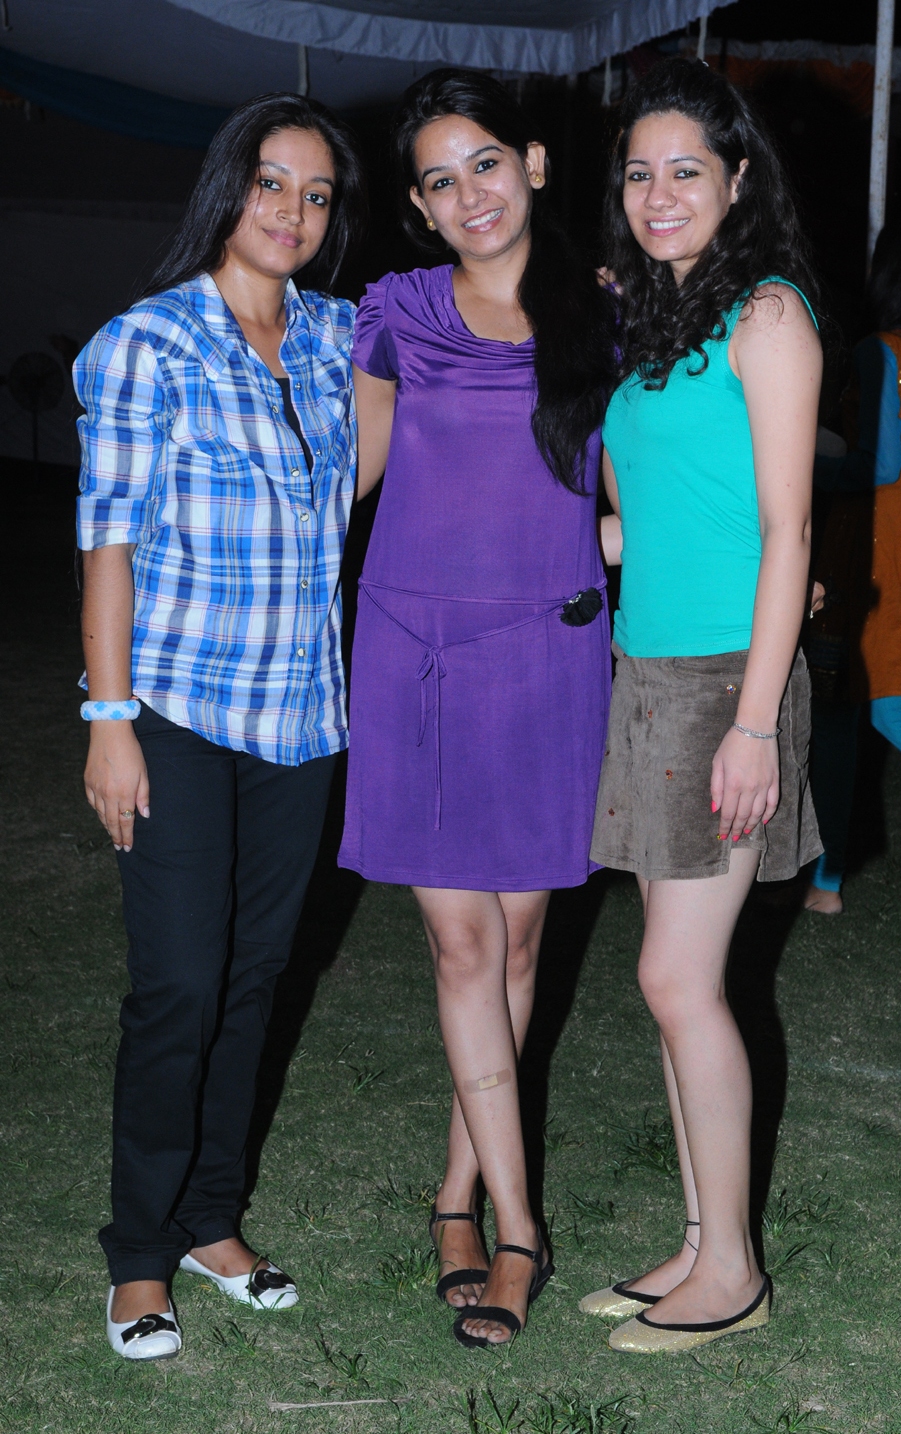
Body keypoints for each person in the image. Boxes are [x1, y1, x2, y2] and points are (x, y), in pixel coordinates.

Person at [75, 93, 365, 1361]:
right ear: (225, 186)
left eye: (316, 193)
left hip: (300, 714)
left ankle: (209, 1219)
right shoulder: (147, 341)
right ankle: (140, 1251)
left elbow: (462, 340)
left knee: (253, 979)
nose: (292, 211)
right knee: (180, 984)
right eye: (271, 182)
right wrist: (109, 720)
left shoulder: (336, 336)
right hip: (178, 706)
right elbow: (108, 540)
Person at [337, 69, 616, 1348]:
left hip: (546, 657)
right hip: (415, 653)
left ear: (534, 165)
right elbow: (347, 473)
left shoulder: (604, 312)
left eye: (485, 164)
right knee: (461, 949)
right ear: (417, 206)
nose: (469, 195)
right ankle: (517, 1233)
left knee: (514, 956)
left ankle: (454, 1193)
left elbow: (629, 493)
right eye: (439, 181)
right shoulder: (394, 311)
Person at [579, 58, 823, 1354]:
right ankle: (692, 1240)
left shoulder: (766, 315)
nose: (657, 192)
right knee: (670, 978)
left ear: (736, 179)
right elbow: (656, 525)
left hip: (726, 682)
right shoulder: (662, 326)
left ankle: (730, 1268)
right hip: (649, 672)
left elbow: (788, 532)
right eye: (638, 172)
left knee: (677, 977)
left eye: (685, 168)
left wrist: (751, 722)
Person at [804, 223, 901, 915]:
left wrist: (802, 462)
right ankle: (825, 879)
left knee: (856, 710)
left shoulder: (880, 350)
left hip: (871, 552)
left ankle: (826, 878)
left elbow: (880, 466)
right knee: (877, 710)